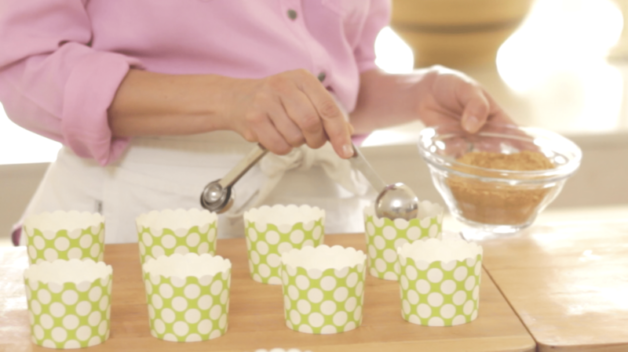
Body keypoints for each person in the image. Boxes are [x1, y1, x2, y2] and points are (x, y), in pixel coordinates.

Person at [0, 1, 513, 244]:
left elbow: (334, 83)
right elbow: (25, 67)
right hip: (146, 223)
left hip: (319, 226)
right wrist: (230, 99)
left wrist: (421, 92)